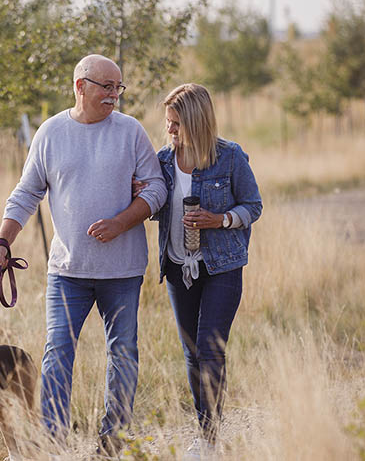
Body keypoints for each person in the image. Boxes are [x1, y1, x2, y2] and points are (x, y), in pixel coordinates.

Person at [0, 54, 167, 455]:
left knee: (123, 352)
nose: (115, 96)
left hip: (122, 271)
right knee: (57, 353)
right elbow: (26, 193)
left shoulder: (131, 132)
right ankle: (53, 440)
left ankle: (114, 438)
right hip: (67, 270)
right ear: (81, 86)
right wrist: (2, 241)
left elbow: (156, 188)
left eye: (119, 88)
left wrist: (122, 221)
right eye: (107, 87)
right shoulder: (50, 133)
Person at [139, 83, 261, 459]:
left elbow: (252, 206)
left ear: (197, 122)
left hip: (222, 266)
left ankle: (208, 439)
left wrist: (219, 220)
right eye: (168, 123)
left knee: (210, 347)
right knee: (192, 352)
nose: (170, 131)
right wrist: (139, 194)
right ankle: (205, 431)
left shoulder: (230, 157)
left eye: (176, 124)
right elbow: (158, 206)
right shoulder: (162, 160)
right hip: (178, 266)